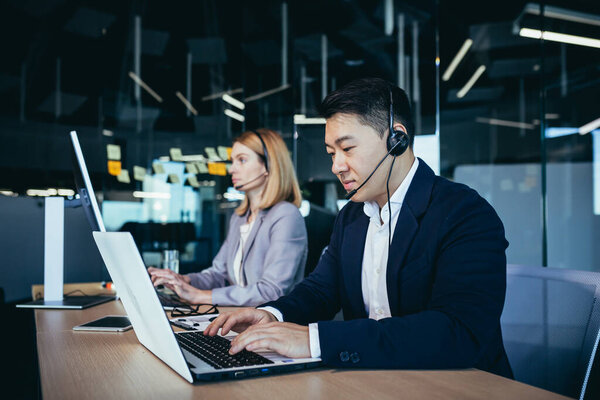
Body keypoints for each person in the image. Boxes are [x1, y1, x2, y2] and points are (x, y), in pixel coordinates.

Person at [204, 78, 513, 378]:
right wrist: (272, 314)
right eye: (331, 153)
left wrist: (315, 340)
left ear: (397, 139)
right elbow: (321, 290)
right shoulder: (352, 216)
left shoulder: (464, 213)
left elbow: (457, 330)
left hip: (461, 385)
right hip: (373, 380)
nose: (336, 166)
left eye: (347, 149)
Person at [149, 129, 307, 307]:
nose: (232, 169)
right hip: (236, 318)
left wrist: (200, 296)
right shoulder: (239, 218)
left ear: (269, 165)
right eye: (233, 161)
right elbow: (218, 275)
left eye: (242, 160)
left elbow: (271, 291)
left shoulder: (286, 215)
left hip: (271, 326)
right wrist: (183, 280)